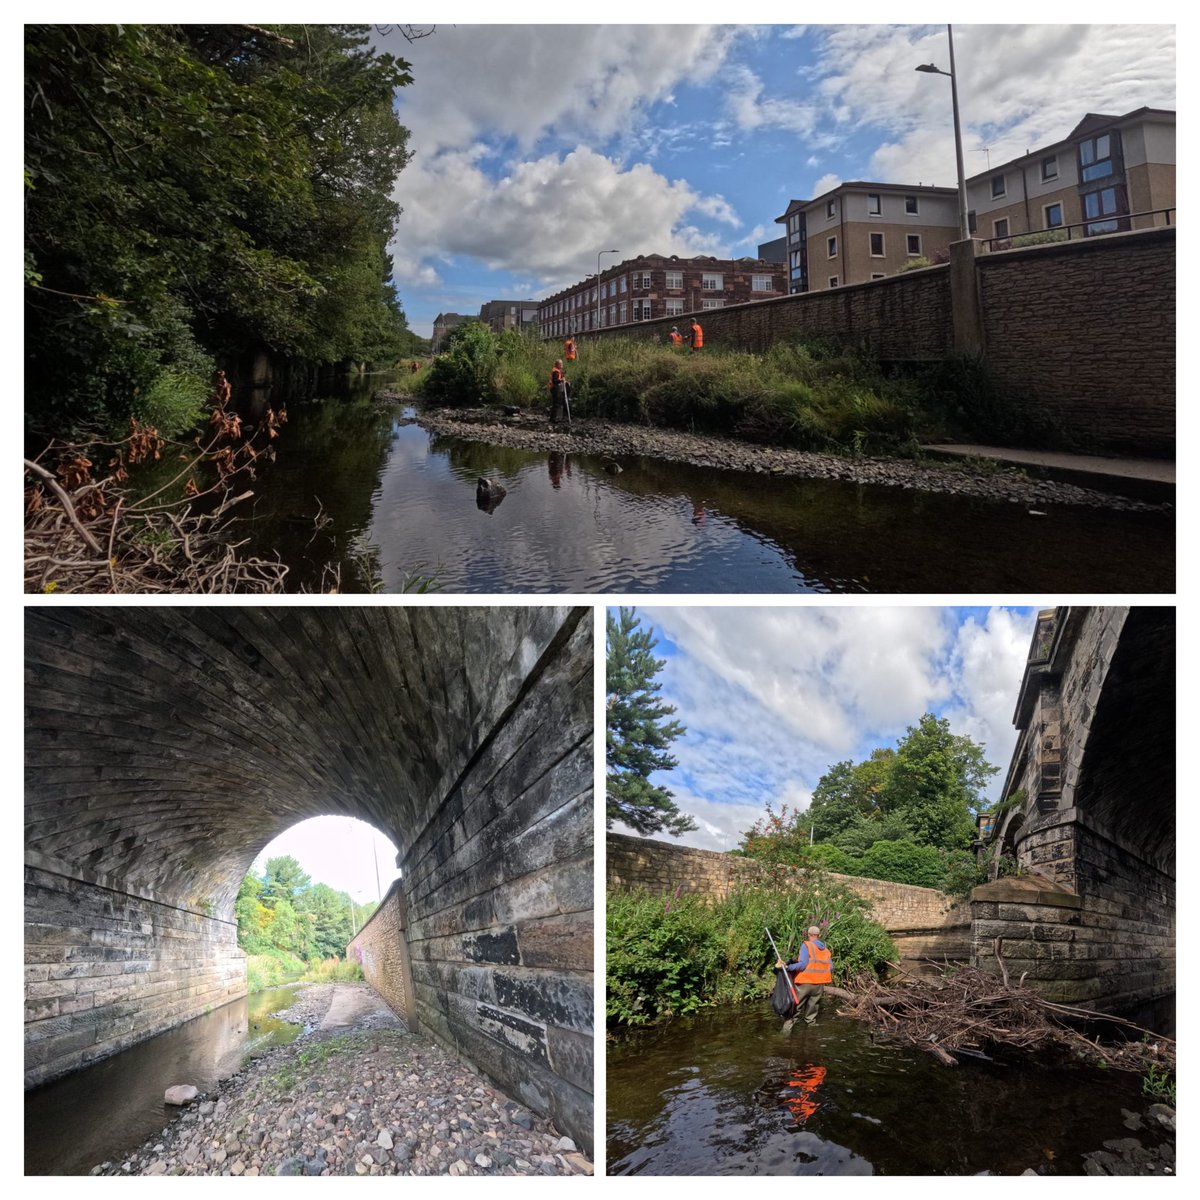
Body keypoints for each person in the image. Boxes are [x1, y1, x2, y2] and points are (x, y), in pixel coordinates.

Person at [776, 925, 832, 1029]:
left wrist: (788, 967)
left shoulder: (807, 945)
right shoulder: (826, 950)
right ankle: (811, 1037)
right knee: (811, 1016)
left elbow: (802, 965)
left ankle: (784, 1036)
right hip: (819, 986)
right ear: (819, 935)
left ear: (808, 935)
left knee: (794, 1010)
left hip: (804, 984)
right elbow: (830, 967)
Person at [548, 359, 570, 424]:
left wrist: (563, 377)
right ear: (557, 364)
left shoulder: (558, 371)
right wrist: (561, 380)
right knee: (556, 404)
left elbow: (559, 378)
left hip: (557, 389)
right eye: (561, 364)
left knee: (557, 403)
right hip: (555, 389)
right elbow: (555, 381)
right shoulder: (555, 371)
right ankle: (553, 419)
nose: (562, 365)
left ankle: (555, 417)